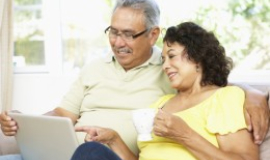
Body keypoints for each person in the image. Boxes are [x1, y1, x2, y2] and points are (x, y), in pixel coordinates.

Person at [0, 0, 268, 159]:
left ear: (153, 35)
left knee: (89, 154)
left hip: (90, 156)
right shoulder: (163, 102)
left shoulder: (213, 95)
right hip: (80, 152)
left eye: (128, 34)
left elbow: (214, 88)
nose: (118, 42)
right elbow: (62, 113)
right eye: (113, 32)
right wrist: (113, 138)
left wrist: (252, 93)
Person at [70, 21, 260, 160]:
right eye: (163, 60)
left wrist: (184, 135)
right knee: (91, 152)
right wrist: (114, 140)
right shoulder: (161, 104)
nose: (165, 66)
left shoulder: (224, 98)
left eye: (172, 56)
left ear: (198, 57)